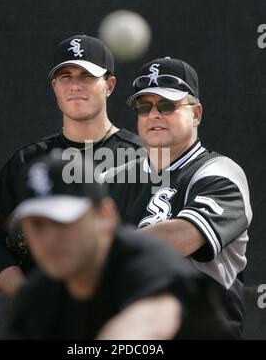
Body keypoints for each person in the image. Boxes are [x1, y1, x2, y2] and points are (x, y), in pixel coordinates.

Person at [0, 34, 142, 297]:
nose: (75, 85)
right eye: (66, 76)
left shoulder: (143, 158)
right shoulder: (27, 163)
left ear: (109, 85)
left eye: (86, 76)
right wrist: (34, 301)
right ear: (54, 86)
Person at [103, 57, 252, 338]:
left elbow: (185, 236)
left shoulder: (219, 172)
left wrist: (97, 245)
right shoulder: (112, 180)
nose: (154, 114)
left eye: (167, 105)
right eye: (144, 107)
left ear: (196, 114)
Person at [9, 154, 234, 340]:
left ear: (106, 216)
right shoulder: (37, 296)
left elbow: (153, 319)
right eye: (36, 225)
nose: (50, 238)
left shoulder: (146, 260)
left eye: (63, 220)